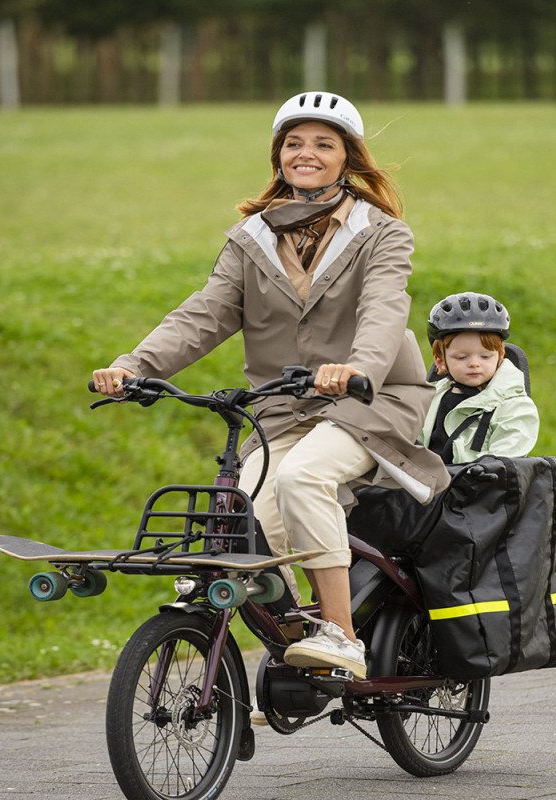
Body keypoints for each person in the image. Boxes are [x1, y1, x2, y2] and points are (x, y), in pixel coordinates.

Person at [92, 91, 449, 679]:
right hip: (283, 411)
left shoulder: (381, 233)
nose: (305, 153)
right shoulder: (250, 238)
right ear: (278, 155)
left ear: (347, 158)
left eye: (323, 144)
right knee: (247, 529)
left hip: (369, 399)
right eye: (294, 142)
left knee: (304, 476)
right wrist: (136, 365)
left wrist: (357, 368)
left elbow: (385, 310)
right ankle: (297, 643)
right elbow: (204, 315)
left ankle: (342, 636)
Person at [418, 292, 539, 463]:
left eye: (485, 356)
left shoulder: (515, 407)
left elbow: (505, 459)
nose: (474, 364)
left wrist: (482, 469)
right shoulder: (428, 398)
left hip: (475, 487)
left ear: (500, 356)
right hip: (421, 483)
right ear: (440, 360)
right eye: (462, 357)